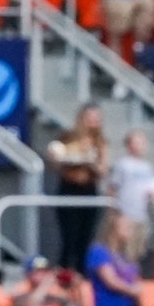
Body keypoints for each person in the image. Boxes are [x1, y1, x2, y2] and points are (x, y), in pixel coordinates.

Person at [47, 103, 108, 275]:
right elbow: (55, 161)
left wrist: (91, 161)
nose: (93, 123)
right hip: (69, 188)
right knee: (69, 236)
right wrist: (60, 158)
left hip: (88, 190)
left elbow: (102, 169)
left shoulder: (100, 142)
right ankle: (65, 273)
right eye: (90, 118)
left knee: (85, 236)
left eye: (96, 119)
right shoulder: (67, 137)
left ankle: (82, 275)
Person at [107, 130, 154, 263]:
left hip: (141, 215)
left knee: (138, 250)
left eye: (142, 142)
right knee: (123, 250)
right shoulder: (123, 164)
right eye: (137, 142)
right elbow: (113, 188)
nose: (140, 146)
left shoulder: (148, 167)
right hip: (125, 214)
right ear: (129, 145)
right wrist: (115, 212)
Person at [85, 213, 144, 306]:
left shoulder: (124, 255)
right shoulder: (99, 251)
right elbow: (110, 280)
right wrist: (133, 290)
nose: (129, 230)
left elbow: (136, 276)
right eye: (125, 226)